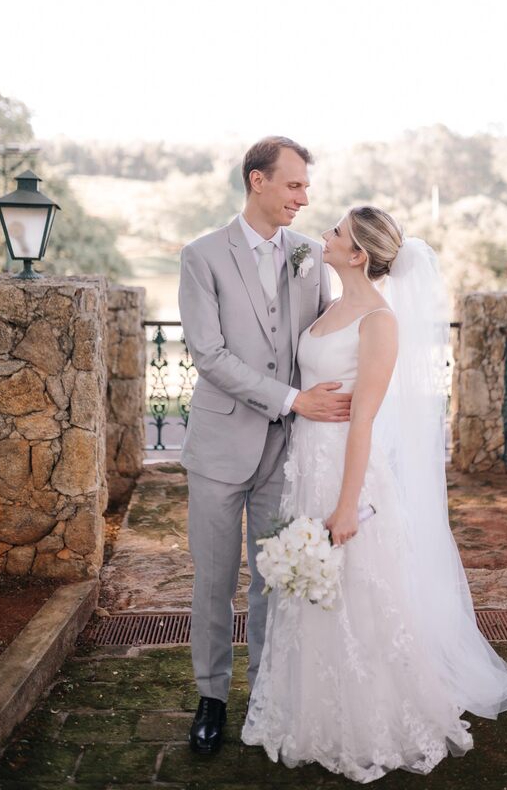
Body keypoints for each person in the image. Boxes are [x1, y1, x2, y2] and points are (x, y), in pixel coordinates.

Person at [242, 205, 507, 783]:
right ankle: (307, 712)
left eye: (337, 231)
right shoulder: (330, 304)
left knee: (356, 595)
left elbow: (364, 419)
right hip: (305, 463)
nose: (325, 234)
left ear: (359, 254)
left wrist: (347, 505)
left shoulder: (378, 321)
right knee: (311, 590)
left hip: (347, 471)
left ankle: (367, 719)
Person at [178, 135, 352, 755]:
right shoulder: (201, 256)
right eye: (294, 185)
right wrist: (290, 399)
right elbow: (209, 355)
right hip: (223, 446)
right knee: (215, 579)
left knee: (278, 576)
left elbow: (323, 335)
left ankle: (272, 693)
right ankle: (212, 697)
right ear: (258, 181)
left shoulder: (311, 254)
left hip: (292, 451)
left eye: (305, 186)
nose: (304, 199)